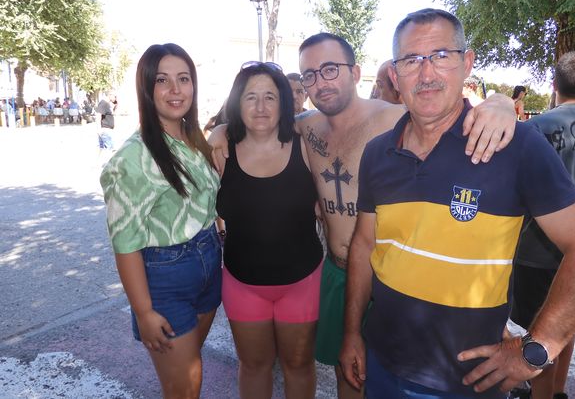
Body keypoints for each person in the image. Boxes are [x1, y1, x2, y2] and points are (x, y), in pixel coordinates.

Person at [210, 32, 517, 399]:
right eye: (310, 75)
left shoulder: (395, 118)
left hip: (391, 277)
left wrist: (500, 104)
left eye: (330, 69)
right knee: (349, 374)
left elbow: (451, 111)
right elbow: (257, 124)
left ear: (355, 73)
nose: (320, 82)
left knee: (409, 380)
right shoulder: (305, 127)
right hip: (337, 272)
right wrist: (220, 130)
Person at [339, 8, 575, 399]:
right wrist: (351, 333)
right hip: (382, 365)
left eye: (441, 55)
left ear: (467, 63)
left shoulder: (514, 146)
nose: (426, 73)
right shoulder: (378, 153)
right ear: (394, 75)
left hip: (467, 384)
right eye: (411, 60)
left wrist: (536, 349)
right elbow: (363, 245)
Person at [100, 43, 221, 399]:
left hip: (208, 261)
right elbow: (125, 243)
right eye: (162, 80)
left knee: (188, 372)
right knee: (185, 385)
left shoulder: (194, 139)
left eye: (184, 79)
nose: (175, 89)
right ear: (146, 87)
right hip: (165, 276)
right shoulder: (132, 157)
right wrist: (143, 312)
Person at [216, 61, 323, 399]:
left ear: (283, 103)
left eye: (270, 97)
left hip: (303, 283)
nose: (260, 107)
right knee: (253, 366)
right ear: (237, 102)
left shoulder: (305, 144)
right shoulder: (219, 152)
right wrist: (218, 131)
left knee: (299, 365)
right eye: (250, 97)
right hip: (243, 284)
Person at [510, 49, 575, 399]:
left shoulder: (533, 129)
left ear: (553, 84)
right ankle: (557, 390)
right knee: (568, 319)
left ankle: (543, 394)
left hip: (537, 249)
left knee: (537, 330)